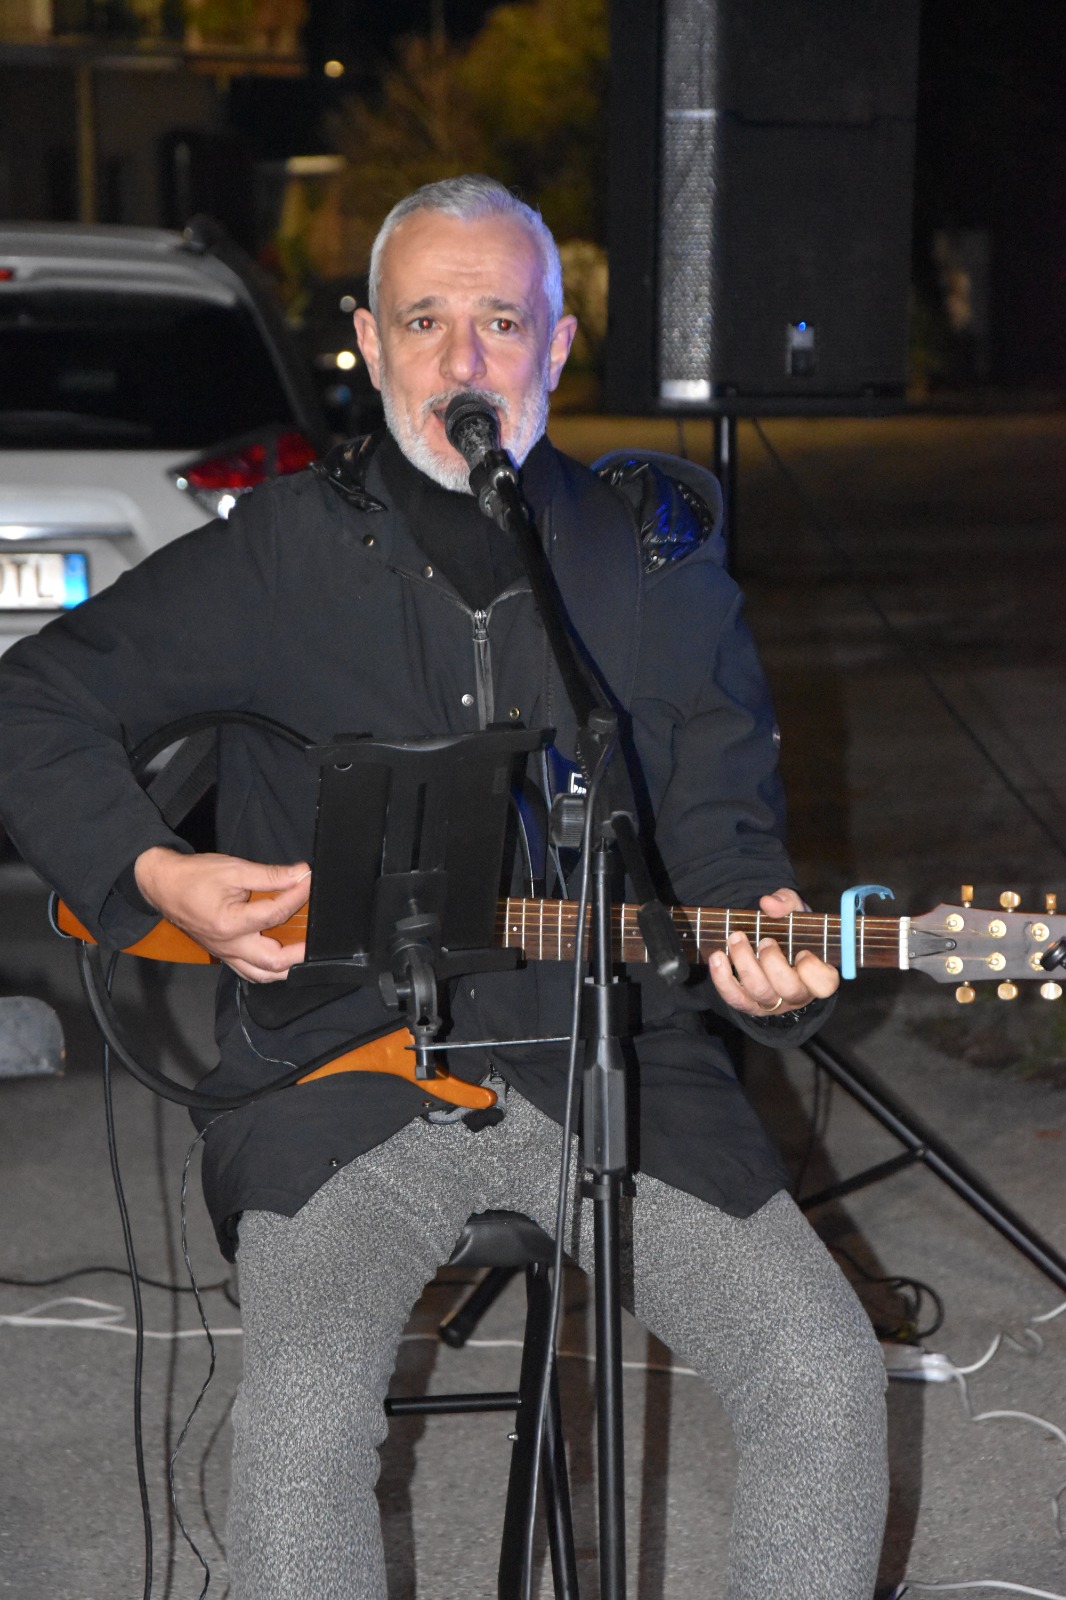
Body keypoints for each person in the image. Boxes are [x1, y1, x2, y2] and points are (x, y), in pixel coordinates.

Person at [0, 175, 887, 1597]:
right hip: (334, 1078)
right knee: (299, 1427)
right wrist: (158, 869)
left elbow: (725, 841)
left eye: (500, 322)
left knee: (822, 1372)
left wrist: (764, 955)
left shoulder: (655, 565)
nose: (463, 362)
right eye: (425, 322)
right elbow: (33, 703)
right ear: (368, 339)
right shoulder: (278, 556)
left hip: (619, 1063)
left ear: (558, 344)